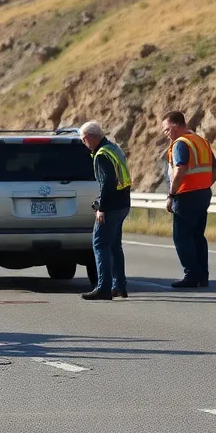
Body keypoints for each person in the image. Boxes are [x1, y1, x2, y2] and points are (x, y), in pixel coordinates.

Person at [161, 110, 216, 288]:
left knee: (181, 238)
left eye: (166, 129)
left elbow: (180, 170)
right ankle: (203, 276)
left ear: (176, 126)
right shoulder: (201, 141)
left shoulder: (181, 144)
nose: (165, 134)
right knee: (197, 236)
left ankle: (192, 275)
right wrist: (203, 185)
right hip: (203, 194)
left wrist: (171, 195)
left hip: (186, 196)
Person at [79, 120, 132, 300]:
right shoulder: (114, 149)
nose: (84, 144)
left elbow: (108, 183)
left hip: (111, 206)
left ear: (90, 137)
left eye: (83, 140)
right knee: (115, 246)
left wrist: (101, 207)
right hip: (123, 203)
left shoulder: (101, 154)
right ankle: (119, 286)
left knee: (100, 244)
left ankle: (103, 288)